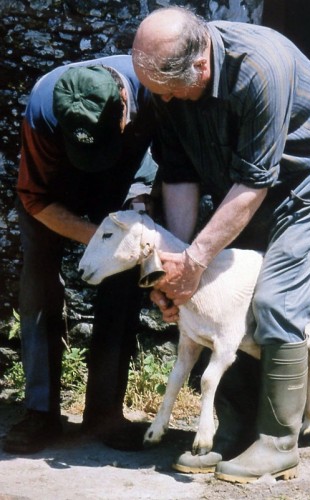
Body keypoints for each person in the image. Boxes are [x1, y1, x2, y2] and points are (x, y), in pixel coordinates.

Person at [131, 6, 310, 483]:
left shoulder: (258, 69)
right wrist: (179, 268)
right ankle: (232, 430)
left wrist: (195, 260)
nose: (163, 101)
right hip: (240, 187)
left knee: (277, 298)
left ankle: (277, 442)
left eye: (169, 91)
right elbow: (180, 172)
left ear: (201, 67)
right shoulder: (166, 88)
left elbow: (255, 182)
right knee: (228, 295)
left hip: (308, 181)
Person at [3, 56, 158, 454]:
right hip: (55, 187)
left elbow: (164, 156)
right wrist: (99, 237)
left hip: (122, 179)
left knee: (123, 276)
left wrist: (138, 206)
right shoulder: (43, 104)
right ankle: (40, 413)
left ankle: (104, 413)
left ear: (125, 102)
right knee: (38, 279)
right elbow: (35, 198)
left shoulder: (151, 85)